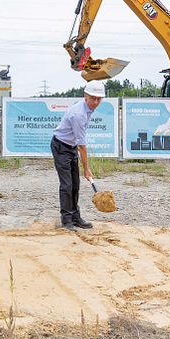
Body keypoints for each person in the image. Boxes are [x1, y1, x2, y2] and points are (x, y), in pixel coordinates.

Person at [50, 80, 106, 231]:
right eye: (93, 98)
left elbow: (78, 144)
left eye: (98, 99)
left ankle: (75, 216)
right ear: (85, 96)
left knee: (75, 184)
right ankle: (66, 219)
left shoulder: (88, 108)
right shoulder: (79, 114)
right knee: (67, 185)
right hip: (61, 147)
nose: (95, 102)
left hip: (70, 146)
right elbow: (82, 146)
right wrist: (87, 169)